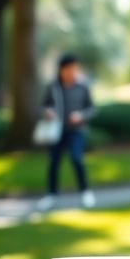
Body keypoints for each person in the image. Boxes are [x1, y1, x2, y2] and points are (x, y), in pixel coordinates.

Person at [36, 54, 97, 211]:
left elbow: (92, 109)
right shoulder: (53, 87)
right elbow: (44, 105)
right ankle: (51, 194)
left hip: (76, 131)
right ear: (62, 70)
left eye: (74, 68)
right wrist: (48, 112)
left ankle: (85, 191)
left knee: (76, 158)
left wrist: (81, 116)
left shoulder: (82, 87)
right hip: (56, 131)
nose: (71, 72)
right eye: (68, 68)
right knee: (54, 162)